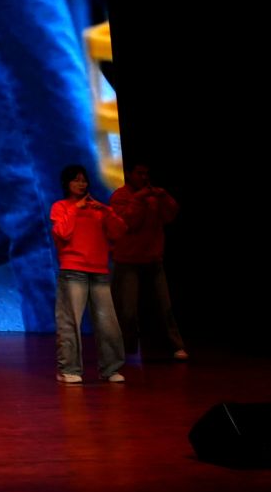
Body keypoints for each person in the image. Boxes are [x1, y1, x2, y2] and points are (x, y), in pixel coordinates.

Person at [50, 164, 127, 385]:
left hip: (99, 271)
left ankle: (111, 369)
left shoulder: (98, 209)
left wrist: (107, 211)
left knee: (108, 324)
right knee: (70, 322)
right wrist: (76, 209)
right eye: (76, 180)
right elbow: (62, 232)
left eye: (83, 180)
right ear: (67, 184)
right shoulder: (61, 206)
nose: (81, 184)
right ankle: (69, 369)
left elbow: (119, 231)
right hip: (73, 270)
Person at [111, 163, 187, 362]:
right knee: (127, 310)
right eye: (139, 173)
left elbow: (170, 215)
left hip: (153, 258)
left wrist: (165, 196)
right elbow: (128, 223)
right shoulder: (120, 196)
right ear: (129, 174)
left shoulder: (154, 196)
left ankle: (176, 345)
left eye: (146, 173)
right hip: (127, 260)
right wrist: (138, 199)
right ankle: (128, 348)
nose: (144, 177)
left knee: (165, 306)